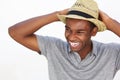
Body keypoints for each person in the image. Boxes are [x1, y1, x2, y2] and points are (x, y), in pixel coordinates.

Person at [8, 0, 120, 80]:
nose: (71, 37)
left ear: (94, 31)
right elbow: (15, 33)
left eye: (80, 32)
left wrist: (110, 22)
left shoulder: (111, 53)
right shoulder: (54, 47)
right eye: (68, 29)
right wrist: (57, 15)